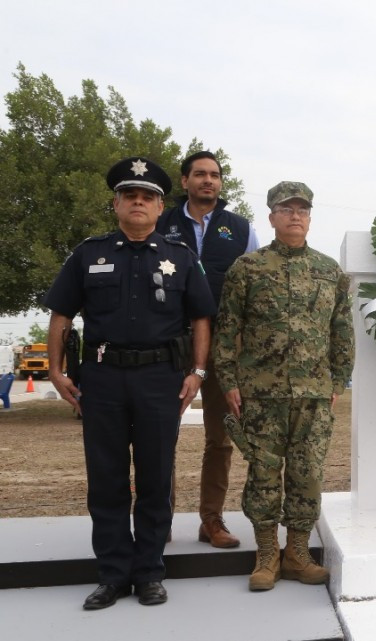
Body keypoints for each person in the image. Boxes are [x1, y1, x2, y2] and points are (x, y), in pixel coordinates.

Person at [43, 157, 215, 610]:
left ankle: (150, 572)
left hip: (161, 379)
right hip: (101, 380)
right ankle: (113, 575)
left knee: (156, 478)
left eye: (148, 197)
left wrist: (197, 373)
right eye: (130, 196)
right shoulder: (88, 254)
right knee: (107, 480)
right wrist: (56, 370)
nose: (138, 203)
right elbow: (62, 313)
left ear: (160, 208)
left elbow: (201, 317)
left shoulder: (181, 257)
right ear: (117, 204)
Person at [213, 181, 355, 591]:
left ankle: (296, 554)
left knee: (308, 475)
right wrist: (230, 382)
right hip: (261, 393)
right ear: (272, 216)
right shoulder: (248, 268)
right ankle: (266, 556)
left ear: (310, 217)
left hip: (313, 394)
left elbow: (341, 330)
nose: (295, 215)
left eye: (302, 210)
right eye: (286, 208)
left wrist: (339, 379)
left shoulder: (329, 271)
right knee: (263, 474)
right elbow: (227, 331)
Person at [157, 151, 259, 549]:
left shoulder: (240, 229)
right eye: (199, 174)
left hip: (224, 345)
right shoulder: (161, 224)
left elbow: (254, 286)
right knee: (160, 434)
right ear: (185, 181)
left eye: (214, 175)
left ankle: (211, 522)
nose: (208, 181)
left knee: (220, 438)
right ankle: (157, 520)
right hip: (168, 343)